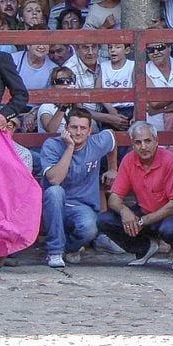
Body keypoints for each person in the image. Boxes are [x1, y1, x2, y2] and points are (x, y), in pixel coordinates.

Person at [97, 122, 173, 277]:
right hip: (144, 213)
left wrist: (142, 221)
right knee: (104, 220)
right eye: (138, 142)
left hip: (170, 215)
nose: (143, 147)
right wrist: (124, 211)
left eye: (147, 141)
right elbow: (114, 198)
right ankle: (144, 247)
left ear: (156, 141)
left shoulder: (170, 161)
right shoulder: (129, 160)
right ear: (132, 144)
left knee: (170, 229)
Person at [40, 108, 117, 268]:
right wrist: (69, 148)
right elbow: (55, 179)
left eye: (83, 128)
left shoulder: (96, 142)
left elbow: (112, 137)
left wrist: (113, 168)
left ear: (90, 131)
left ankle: (69, 248)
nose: (78, 132)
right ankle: (54, 252)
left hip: (82, 206)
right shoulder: (52, 145)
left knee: (89, 228)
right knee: (55, 192)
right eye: (74, 127)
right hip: (55, 206)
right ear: (66, 128)